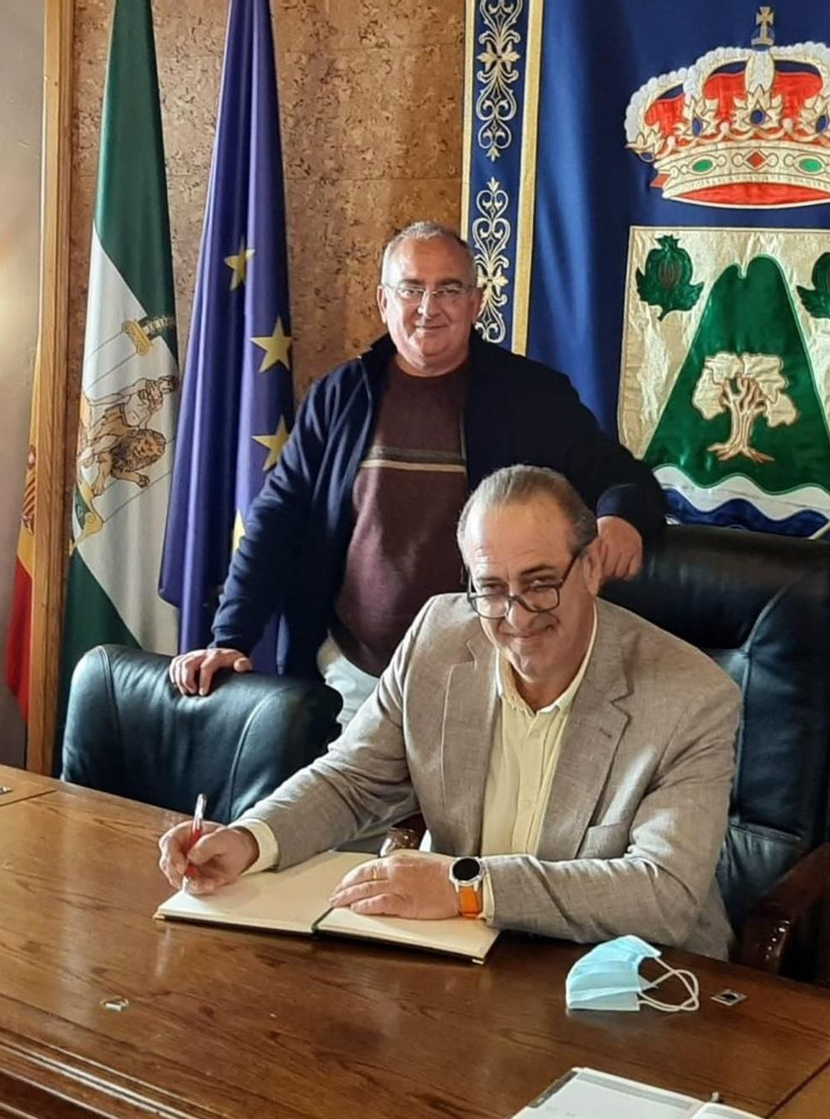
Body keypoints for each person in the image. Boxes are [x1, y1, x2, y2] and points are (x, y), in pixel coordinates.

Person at [159, 466, 739, 956]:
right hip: (464, 956)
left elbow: (663, 895)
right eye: (490, 588)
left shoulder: (691, 698)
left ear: (589, 568)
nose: (514, 615)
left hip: (632, 983)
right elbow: (353, 780)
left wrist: (470, 889)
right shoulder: (440, 634)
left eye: (540, 584)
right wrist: (250, 839)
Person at [168, 221, 665, 722]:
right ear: (384, 302)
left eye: (448, 289)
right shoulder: (339, 397)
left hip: (487, 682)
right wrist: (229, 638)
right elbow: (277, 521)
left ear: (475, 303)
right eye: (412, 290)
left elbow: (625, 480)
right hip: (351, 681)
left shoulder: (532, 396)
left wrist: (619, 517)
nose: (429, 308)